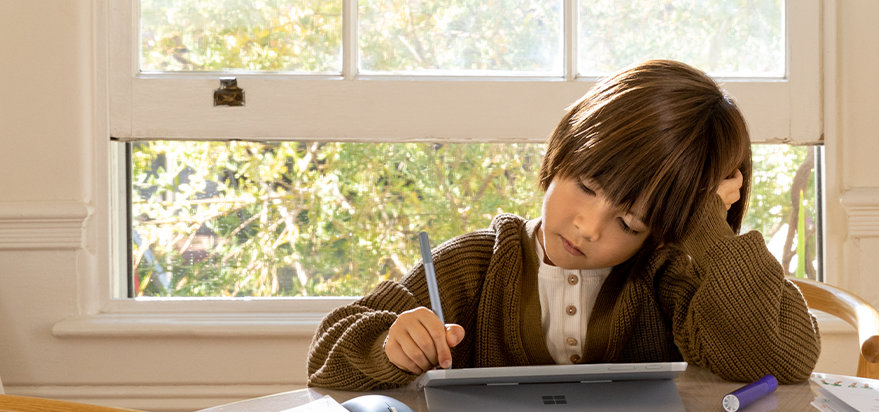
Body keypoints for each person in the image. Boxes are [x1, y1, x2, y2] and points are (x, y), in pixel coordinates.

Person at [307, 59, 820, 391]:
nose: (589, 228)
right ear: (561, 153)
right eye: (588, 187)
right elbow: (328, 359)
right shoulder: (474, 266)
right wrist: (389, 346)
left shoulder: (672, 280)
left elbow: (778, 362)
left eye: (629, 221)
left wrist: (709, 227)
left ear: (664, 229)